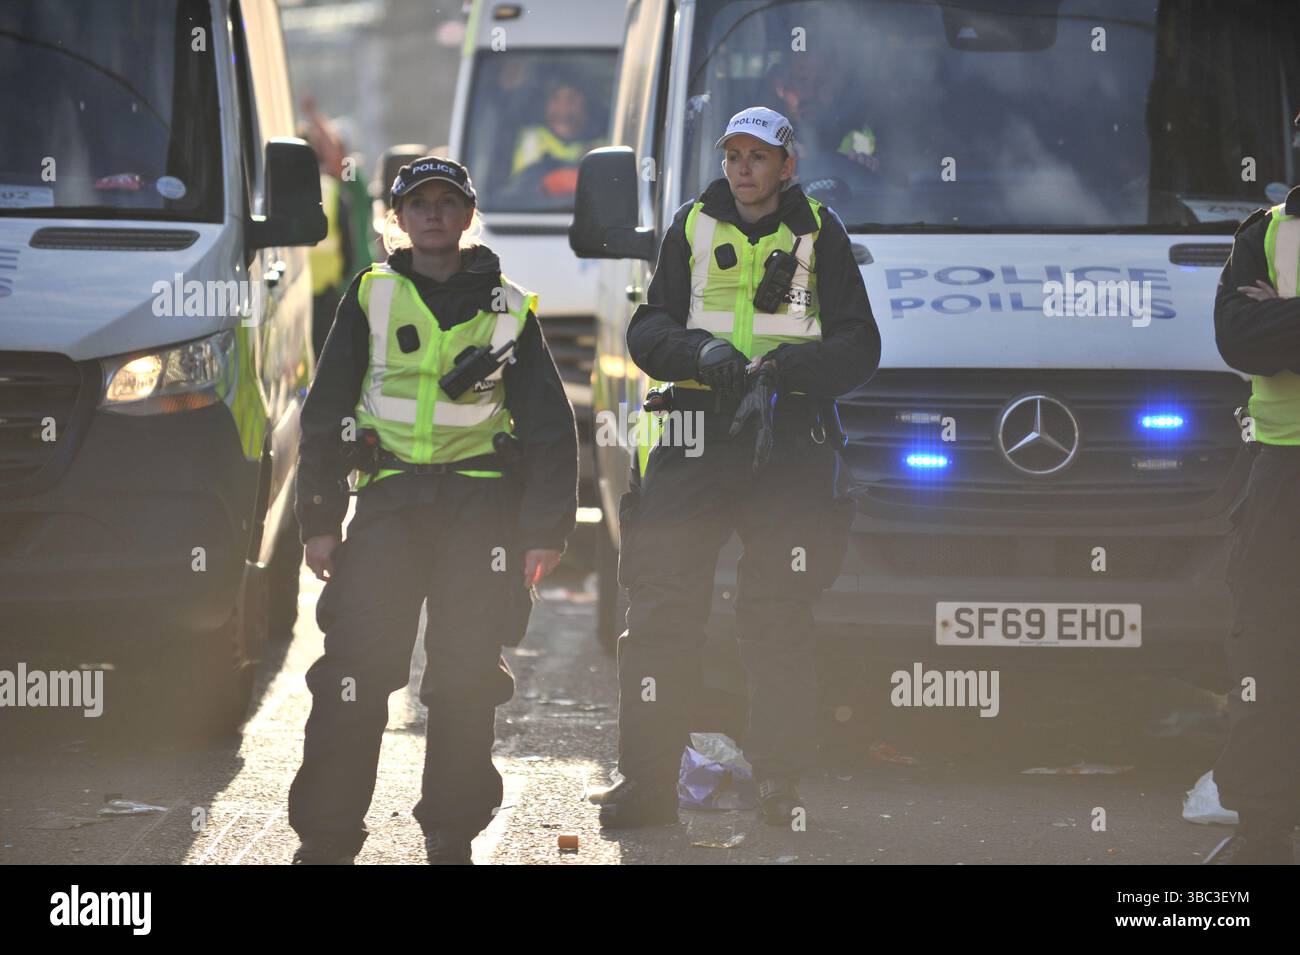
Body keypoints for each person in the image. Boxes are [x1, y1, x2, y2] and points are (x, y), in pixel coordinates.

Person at [587, 107, 881, 828]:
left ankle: (780, 785)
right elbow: (649, 328)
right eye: (733, 155)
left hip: (787, 443)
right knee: (660, 616)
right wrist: (702, 356)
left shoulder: (824, 231)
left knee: (776, 619)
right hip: (694, 435)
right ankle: (648, 782)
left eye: (759, 155)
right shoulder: (690, 225)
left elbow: (859, 346)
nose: (744, 167)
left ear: (788, 163)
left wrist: (785, 369)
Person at [287, 156, 578, 864]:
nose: (434, 213)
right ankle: (327, 835)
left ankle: (451, 829)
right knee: (354, 665)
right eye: (420, 202)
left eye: (449, 202)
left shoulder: (511, 305)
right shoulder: (371, 294)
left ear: (468, 215)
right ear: (399, 216)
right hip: (389, 501)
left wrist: (545, 530)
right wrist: (320, 520)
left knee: (466, 670)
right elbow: (324, 413)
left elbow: (549, 426)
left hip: (481, 505)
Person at [1205, 142, 1300, 864]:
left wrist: (1288, 318)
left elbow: (1267, 333)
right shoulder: (1264, 231)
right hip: (1280, 474)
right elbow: (1238, 338)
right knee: (1265, 650)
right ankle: (1264, 827)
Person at [768, 57, 881, 172]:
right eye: (802, 81)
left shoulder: (859, 139)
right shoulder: (762, 139)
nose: (811, 93)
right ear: (780, 87)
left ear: (836, 87)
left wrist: (864, 169)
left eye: (821, 82)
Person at [509, 80, 604, 197]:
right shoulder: (528, 139)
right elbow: (518, 192)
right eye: (555, 99)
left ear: (586, 108)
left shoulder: (604, 146)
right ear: (545, 106)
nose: (563, 108)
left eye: (571, 99)